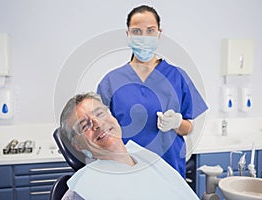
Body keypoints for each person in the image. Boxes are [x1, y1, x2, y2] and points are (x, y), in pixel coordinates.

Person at [97, 5, 208, 178]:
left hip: (169, 168)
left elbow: (188, 128)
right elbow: (100, 130)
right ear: (128, 35)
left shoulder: (177, 76)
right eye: (137, 31)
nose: (144, 37)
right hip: (126, 170)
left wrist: (177, 123)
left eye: (150, 31)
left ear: (159, 34)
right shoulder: (111, 81)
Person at [59, 92, 199, 200]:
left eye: (100, 113)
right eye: (84, 125)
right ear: (77, 145)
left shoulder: (146, 158)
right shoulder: (83, 190)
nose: (98, 124)